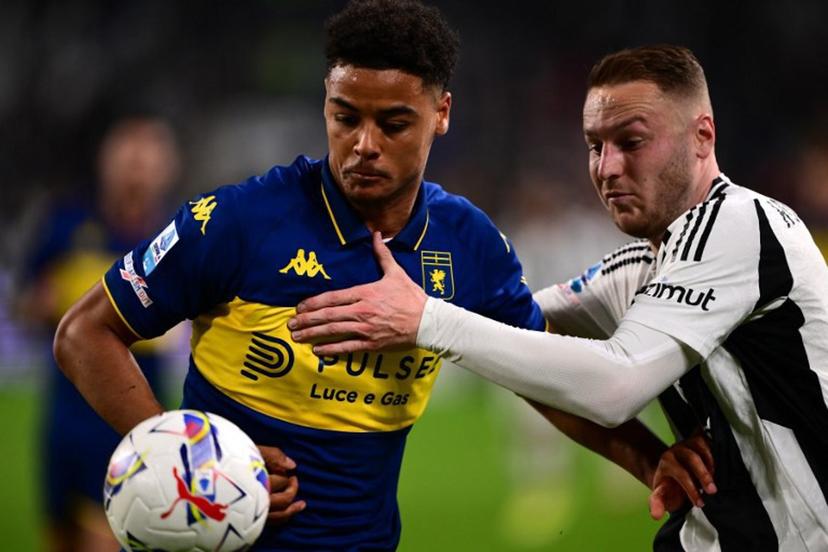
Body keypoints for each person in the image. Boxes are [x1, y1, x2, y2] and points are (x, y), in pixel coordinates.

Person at [52, 1, 554, 549]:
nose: (364, 145)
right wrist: (190, 459)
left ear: (442, 113)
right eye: (345, 118)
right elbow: (83, 333)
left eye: (393, 124)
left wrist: (639, 450)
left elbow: (551, 374)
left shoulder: (468, 243)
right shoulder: (239, 221)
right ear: (325, 104)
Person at [288, 45, 828, 550]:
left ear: (702, 137)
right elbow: (512, 331)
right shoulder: (641, 267)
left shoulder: (741, 225)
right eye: (595, 146)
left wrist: (427, 320)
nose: (606, 168)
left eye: (631, 142)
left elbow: (616, 385)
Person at [17, 115, 181, 552]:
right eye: (126, 153)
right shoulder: (65, 224)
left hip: (127, 416)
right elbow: (25, 306)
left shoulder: (178, 237)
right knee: (61, 537)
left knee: (105, 539)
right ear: (104, 160)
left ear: (168, 167)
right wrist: (43, 305)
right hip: (64, 414)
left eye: (147, 156)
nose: (135, 166)